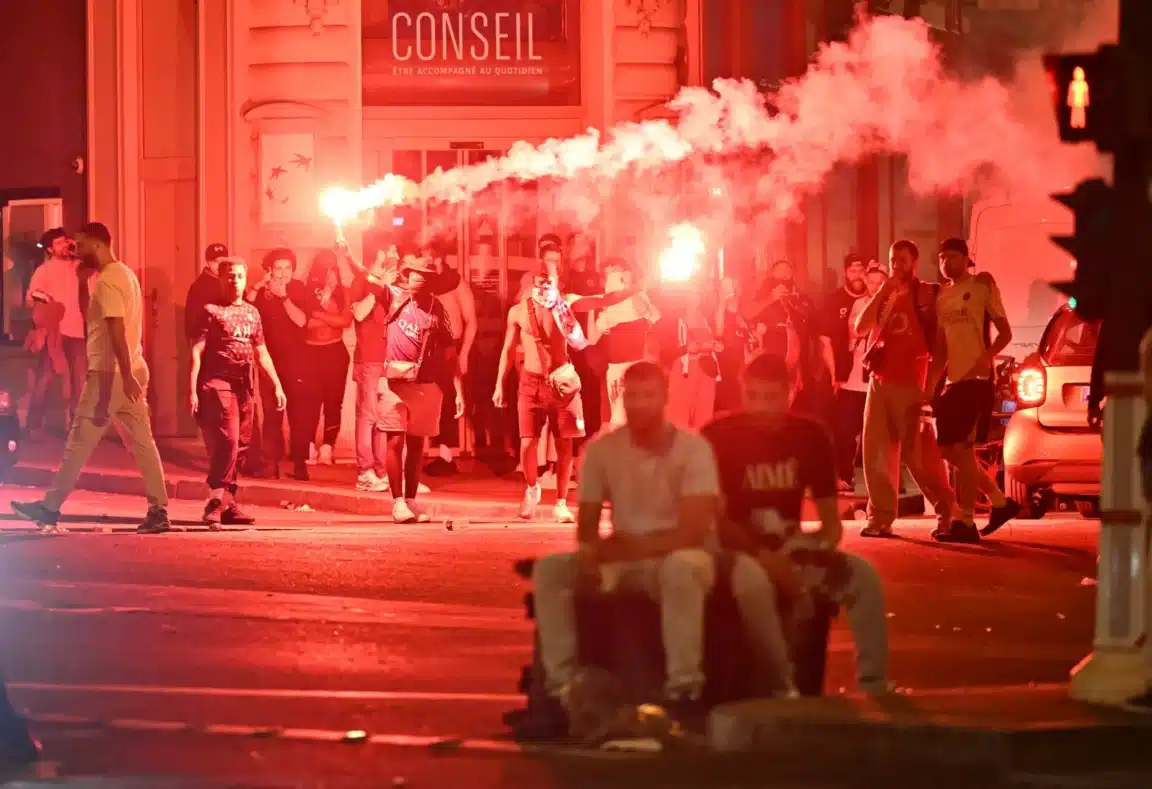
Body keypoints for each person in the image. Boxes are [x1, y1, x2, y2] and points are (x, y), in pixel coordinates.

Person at [531, 361, 800, 718]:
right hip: (626, 560)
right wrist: (591, 554)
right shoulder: (602, 450)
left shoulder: (693, 449)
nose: (639, 404)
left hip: (686, 556)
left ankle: (684, 689)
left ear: (664, 398)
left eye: (648, 395)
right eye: (632, 396)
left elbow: (693, 531)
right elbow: (588, 525)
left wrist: (631, 547)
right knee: (551, 569)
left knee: (681, 567)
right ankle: (562, 688)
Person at [703, 353, 889, 695]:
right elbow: (714, 520)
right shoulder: (718, 435)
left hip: (790, 545)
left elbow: (830, 522)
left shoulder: (810, 435)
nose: (761, 407)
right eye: (753, 396)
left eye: (771, 397)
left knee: (863, 577)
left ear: (790, 393)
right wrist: (767, 559)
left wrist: (817, 548)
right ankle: (781, 682)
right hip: (736, 552)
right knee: (761, 586)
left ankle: (874, 685)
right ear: (742, 392)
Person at [11, 222, 171, 534]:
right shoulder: (124, 275)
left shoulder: (109, 281)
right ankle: (159, 509)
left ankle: (49, 508)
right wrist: (84, 283)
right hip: (129, 370)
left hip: (110, 374)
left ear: (97, 245)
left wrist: (123, 375)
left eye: (82, 245)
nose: (77, 251)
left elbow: (114, 330)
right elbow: (91, 319)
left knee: (78, 442)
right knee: (142, 442)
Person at [494, 245, 640, 522]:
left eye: (549, 278)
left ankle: (560, 503)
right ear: (532, 280)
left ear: (557, 279)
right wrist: (500, 384)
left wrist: (638, 288)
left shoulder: (566, 304)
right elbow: (508, 349)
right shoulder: (518, 312)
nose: (545, 283)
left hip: (563, 382)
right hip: (530, 383)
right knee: (527, 443)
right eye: (540, 278)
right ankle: (532, 489)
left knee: (565, 445)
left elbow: (603, 300)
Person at [853, 239, 956, 538]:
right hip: (879, 380)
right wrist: (881, 292)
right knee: (876, 452)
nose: (897, 266)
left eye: (902, 260)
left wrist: (930, 386)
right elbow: (860, 328)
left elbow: (941, 345)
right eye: (892, 260)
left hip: (911, 382)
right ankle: (880, 517)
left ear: (915, 262)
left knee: (919, 455)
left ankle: (947, 512)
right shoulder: (885, 295)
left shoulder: (927, 294)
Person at [926, 239, 1021, 542]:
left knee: (963, 451)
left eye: (953, 256)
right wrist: (930, 385)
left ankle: (966, 521)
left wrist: (987, 355)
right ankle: (999, 502)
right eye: (942, 257)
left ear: (966, 258)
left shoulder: (982, 287)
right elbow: (940, 349)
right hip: (953, 382)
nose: (946, 262)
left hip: (978, 379)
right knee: (948, 450)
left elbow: (1005, 333)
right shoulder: (943, 297)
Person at [189, 258, 286, 526]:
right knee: (228, 441)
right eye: (230, 276)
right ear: (222, 279)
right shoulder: (211, 311)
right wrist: (192, 389)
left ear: (245, 280)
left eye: (240, 276)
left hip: (245, 384)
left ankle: (228, 504)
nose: (235, 281)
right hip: (218, 382)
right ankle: (214, 501)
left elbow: (261, 352)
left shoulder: (252, 313)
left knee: (242, 444)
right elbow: (197, 350)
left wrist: (277, 384)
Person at [369, 251, 464, 523]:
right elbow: (367, 279)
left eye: (425, 275)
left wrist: (458, 388)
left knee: (416, 445)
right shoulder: (393, 296)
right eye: (414, 273)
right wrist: (348, 253)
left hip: (426, 384)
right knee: (395, 440)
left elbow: (449, 352)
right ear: (406, 275)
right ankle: (397, 503)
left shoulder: (436, 308)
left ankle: (410, 500)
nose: (418, 278)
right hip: (395, 383)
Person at [247, 248, 309, 479]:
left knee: (298, 413)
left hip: (297, 360)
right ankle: (271, 464)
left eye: (287, 268)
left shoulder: (298, 288)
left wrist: (283, 297)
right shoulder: (262, 291)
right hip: (269, 361)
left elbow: (302, 321)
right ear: (270, 271)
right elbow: (247, 306)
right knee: (272, 412)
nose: (283, 273)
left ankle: (300, 464)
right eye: (278, 268)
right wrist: (259, 285)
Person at [296, 250, 352, 477]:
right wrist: (327, 311)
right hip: (310, 351)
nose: (328, 271)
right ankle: (308, 445)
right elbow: (305, 323)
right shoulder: (304, 290)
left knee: (333, 402)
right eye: (323, 266)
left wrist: (320, 312)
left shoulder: (344, 291)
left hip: (335, 351)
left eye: (332, 266)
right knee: (309, 401)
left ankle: (328, 447)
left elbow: (345, 321)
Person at [25, 228, 86, 436]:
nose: (64, 245)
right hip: (54, 332)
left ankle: (76, 430)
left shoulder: (78, 267)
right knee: (45, 378)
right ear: (50, 249)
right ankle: (34, 425)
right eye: (58, 243)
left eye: (65, 241)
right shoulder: (44, 271)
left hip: (78, 332)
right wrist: (47, 302)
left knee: (79, 382)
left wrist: (77, 250)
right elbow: (31, 297)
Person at [819, 252, 871, 492]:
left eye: (862, 271)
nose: (858, 275)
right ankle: (845, 476)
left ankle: (887, 481)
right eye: (853, 271)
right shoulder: (836, 300)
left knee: (878, 434)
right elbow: (825, 341)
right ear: (845, 273)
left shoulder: (879, 300)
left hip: (875, 378)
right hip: (847, 378)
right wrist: (834, 376)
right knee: (844, 432)